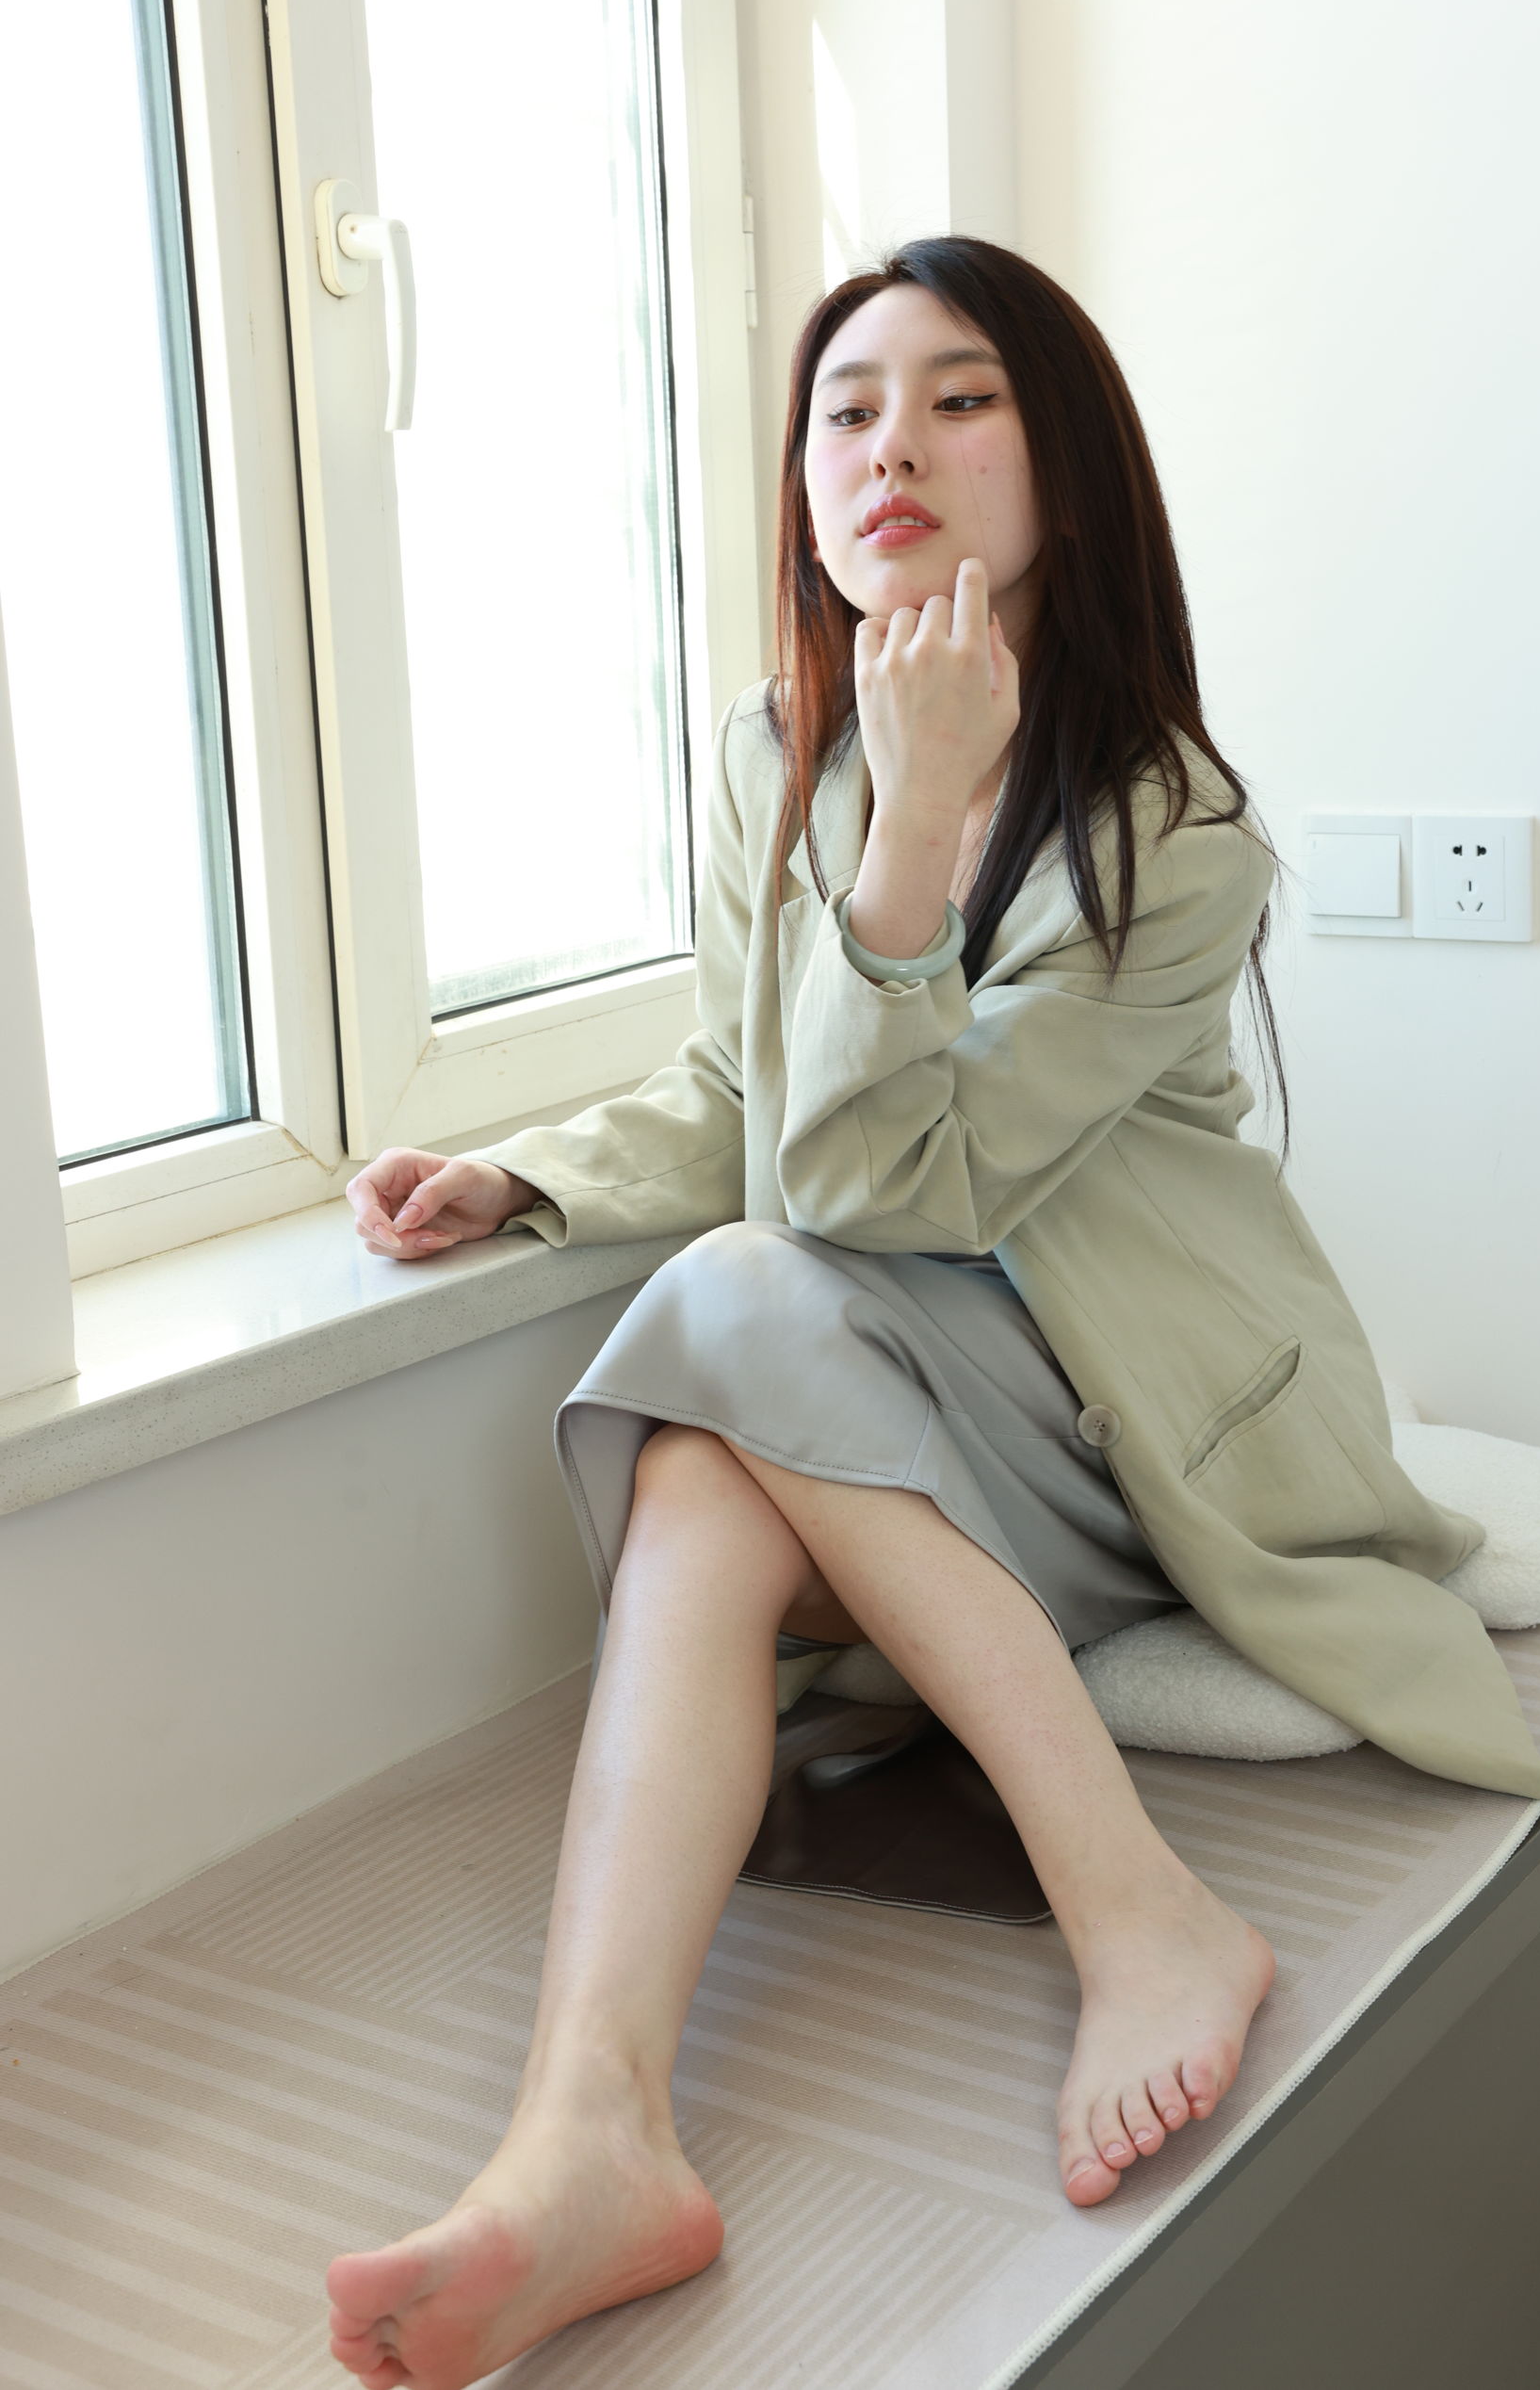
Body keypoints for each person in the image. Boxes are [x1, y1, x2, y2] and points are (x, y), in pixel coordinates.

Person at [323, 233, 1336, 2387]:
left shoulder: (1178, 827)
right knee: (712, 1442)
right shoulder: (771, 749)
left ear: (1069, 468)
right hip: (870, 1415)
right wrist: (530, 1171)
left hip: (1110, 1438)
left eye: (961, 401)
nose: (892, 450)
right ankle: (588, 2130)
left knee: (744, 1307)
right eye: (847, 411)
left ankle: (1141, 1912)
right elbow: (742, 1090)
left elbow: (880, 1187)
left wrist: (924, 818)